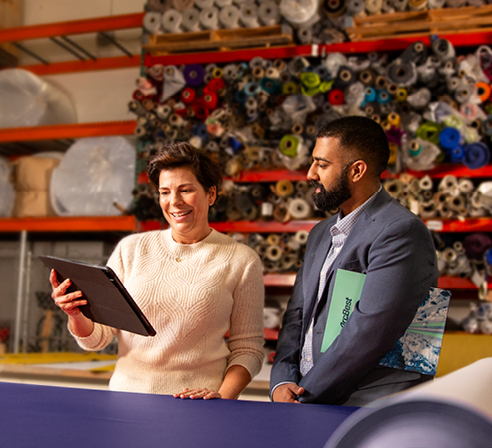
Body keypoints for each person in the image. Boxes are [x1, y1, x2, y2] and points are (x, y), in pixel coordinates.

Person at [50, 142, 265, 399]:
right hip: (126, 402)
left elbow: (248, 348)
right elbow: (98, 339)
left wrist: (222, 398)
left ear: (211, 194)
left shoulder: (242, 260)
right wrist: (75, 314)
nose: (174, 202)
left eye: (186, 190)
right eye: (165, 192)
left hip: (199, 406)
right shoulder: (130, 249)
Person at [270, 115, 440, 406]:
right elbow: (296, 316)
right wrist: (283, 379)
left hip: (370, 405)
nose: (311, 173)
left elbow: (370, 332)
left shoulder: (402, 231)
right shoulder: (320, 234)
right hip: (309, 400)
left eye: (322, 164)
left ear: (356, 171)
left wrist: (306, 395)